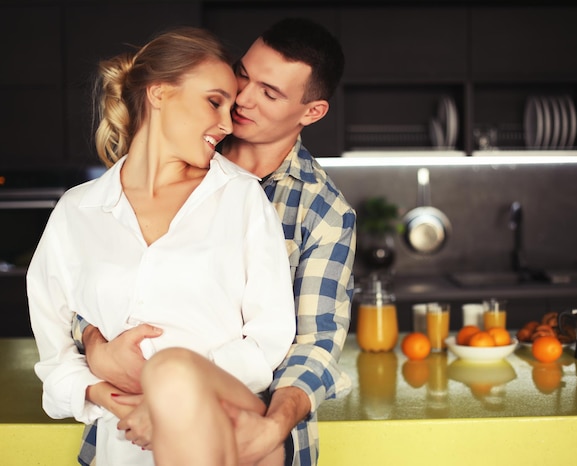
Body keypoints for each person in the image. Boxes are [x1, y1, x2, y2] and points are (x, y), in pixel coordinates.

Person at [75, 17, 356, 466]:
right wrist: (95, 344)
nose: (242, 98)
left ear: (311, 112)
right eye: (243, 74)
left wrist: (273, 426)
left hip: (250, 431)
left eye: (270, 92)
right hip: (126, 434)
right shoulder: (174, 147)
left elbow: (314, 346)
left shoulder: (323, 212)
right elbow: (82, 280)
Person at [27, 26, 296, 466]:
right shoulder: (78, 212)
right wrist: (111, 398)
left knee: (171, 370)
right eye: (214, 101)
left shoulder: (241, 198)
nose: (228, 124)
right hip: (123, 447)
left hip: (225, 429)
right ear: (158, 94)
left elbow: (269, 339)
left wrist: (170, 399)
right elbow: (54, 363)